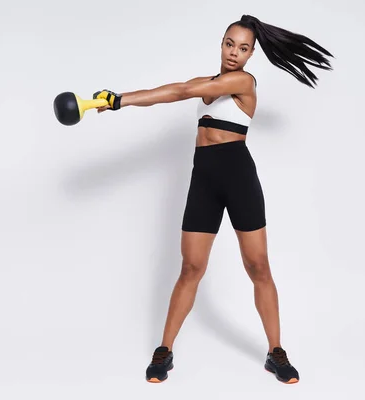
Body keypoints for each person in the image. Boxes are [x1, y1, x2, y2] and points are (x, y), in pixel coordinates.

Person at [93, 14, 332, 384]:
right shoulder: (208, 83)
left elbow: (184, 92)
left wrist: (123, 99)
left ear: (252, 54)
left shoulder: (244, 81)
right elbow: (177, 91)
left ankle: (276, 352)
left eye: (244, 48)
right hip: (203, 177)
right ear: (221, 43)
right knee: (190, 268)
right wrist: (118, 100)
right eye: (229, 44)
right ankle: (165, 350)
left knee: (258, 267)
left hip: (238, 177)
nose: (235, 53)